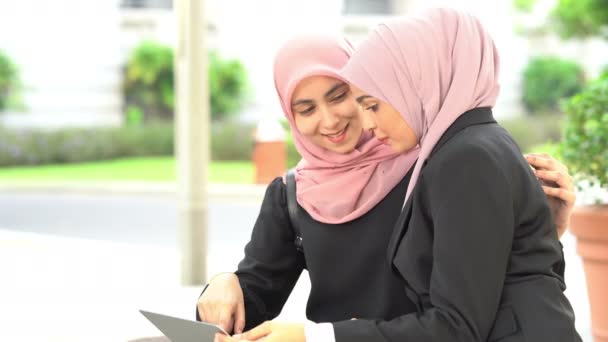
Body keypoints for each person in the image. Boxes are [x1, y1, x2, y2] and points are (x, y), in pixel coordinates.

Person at [205, 25, 579, 341]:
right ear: (290, 116)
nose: (330, 120)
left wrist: (540, 227)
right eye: (306, 109)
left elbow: (476, 295)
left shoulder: (432, 165)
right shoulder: (292, 195)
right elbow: (251, 302)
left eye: (342, 96)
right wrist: (223, 285)